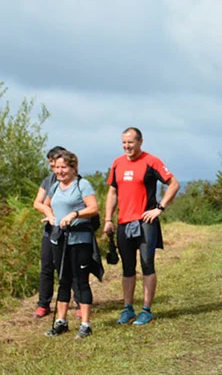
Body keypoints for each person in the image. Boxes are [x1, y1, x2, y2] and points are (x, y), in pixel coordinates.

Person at [104, 127, 180, 326]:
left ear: (140, 142)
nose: (127, 146)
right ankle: (128, 309)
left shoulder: (151, 161)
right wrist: (108, 219)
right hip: (123, 222)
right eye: (124, 142)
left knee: (147, 265)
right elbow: (112, 192)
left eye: (130, 142)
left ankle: (146, 310)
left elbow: (174, 184)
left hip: (145, 222)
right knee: (127, 268)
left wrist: (159, 208)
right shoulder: (117, 163)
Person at [41, 150, 99, 338]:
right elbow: (45, 204)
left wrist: (75, 214)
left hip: (80, 239)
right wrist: (50, 216)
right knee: (63, 279)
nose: (59, 171)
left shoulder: (82, 185)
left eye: (63, 167)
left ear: (73, 167)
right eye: (57, 168)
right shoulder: (55, 187)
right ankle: (61, 321)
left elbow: (93, 208)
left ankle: (85, 324)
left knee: (81, 280)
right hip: (59, 238)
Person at [31, 146, 66, 318]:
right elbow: (37, 202)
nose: (54, 166)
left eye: (56, 162)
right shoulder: (48, 180)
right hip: (50, 231)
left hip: (70, 230)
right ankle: (43, 304)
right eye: (51, 163)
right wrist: (49, 213)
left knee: (70, 268)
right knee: (46, 267)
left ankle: (79, 303)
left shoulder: (76, 180)